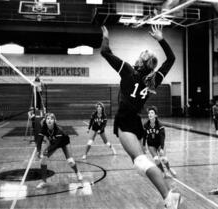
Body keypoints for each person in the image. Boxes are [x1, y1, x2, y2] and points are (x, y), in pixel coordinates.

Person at [100, 25, 181, 208]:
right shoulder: (153, 80)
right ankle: (168, 191)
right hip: (136, 122)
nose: (137, 57)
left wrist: (106, 36)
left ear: (140, 62)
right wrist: (161, 39)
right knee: (141, 162)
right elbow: (172, 59)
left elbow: (105, 52)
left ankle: (169, 197)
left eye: (140, 56)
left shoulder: (127, 70)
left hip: (126, 121)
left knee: (140, 162)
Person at [36, 113, 83, 189]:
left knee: (70, 161)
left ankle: (78, 173)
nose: (49, 120)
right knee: (43, 160)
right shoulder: (44, 128)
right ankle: (43, 181)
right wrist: (38, 150)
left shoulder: (59, 130)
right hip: (53, 142)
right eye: (48, 118)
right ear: (45, 120)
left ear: (54, 121)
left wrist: (47, 150)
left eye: (51, 118)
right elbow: (39, 140)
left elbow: (56, 145)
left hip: (63, 143)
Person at [143, 106, 176, 178]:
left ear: (155, 115)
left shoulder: (160, 125)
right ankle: (164, 173)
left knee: (163, 159)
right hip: (151, 145)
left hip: (159, 144)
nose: (150, 114)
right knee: (156, 159)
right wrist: (143, 146)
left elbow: (162, 137)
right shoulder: (146, 125)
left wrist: (161, 148)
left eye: (152, 113)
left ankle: (169, 169)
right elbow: (144, 136)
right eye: (149, 113)